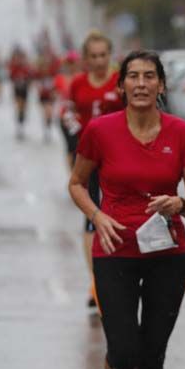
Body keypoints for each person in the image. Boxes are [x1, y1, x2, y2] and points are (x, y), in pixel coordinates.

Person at [68, 50, 185, 369]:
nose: (142, 83)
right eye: (134, 77)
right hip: (114, 251)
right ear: (122, 85)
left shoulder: (181, 132)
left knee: (153, 354)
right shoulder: (100, 131)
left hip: (168, 254)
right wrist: (96, 215)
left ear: (161, 85)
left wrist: (180, 202)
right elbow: (76, 183)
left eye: (150, 76)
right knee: (124, 351)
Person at [67, 31, 123, 308]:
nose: (99, 61)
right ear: (86, 59)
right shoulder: (78, 84)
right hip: (89, 160)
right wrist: (74, 147)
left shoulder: (120, 83)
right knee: (92, 218)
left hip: (119, 160)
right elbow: (68, 117)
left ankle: (120, 275)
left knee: (118, 216)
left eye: (104, 55)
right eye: (94, 56)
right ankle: (96, 281)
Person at [8, 48, 33, 139]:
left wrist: (27, 83)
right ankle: (19, 127)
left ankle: (21, 124)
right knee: (19, 107)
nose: (19, 60)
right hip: (17, 90)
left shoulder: (26, 68)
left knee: (23, 109)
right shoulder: (14, 67)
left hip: (24, 90)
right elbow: (11, 78)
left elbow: (30, 78)